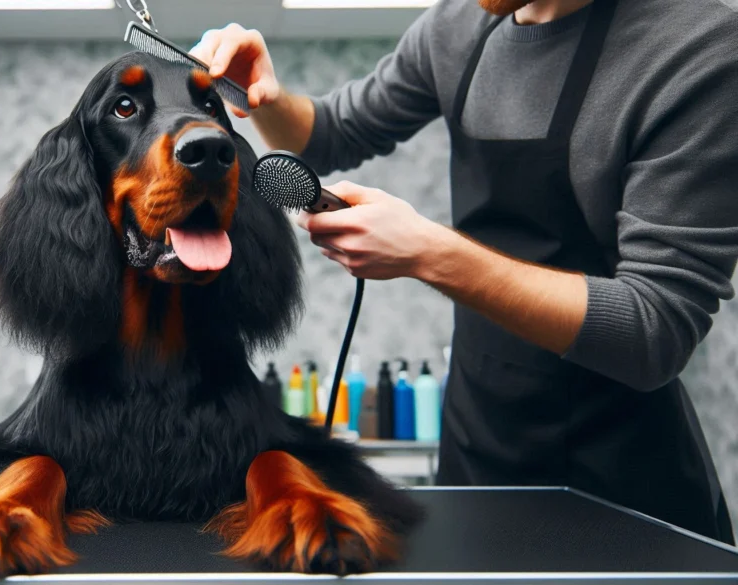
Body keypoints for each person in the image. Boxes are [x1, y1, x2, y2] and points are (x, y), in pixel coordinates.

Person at [192, 0, 738, 544]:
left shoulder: (695, 48)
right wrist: (260, 94)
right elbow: (329, 133)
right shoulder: (458, 26)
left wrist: (430, 253)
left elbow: (654, 330)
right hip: (479, 445)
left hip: (624, 479)